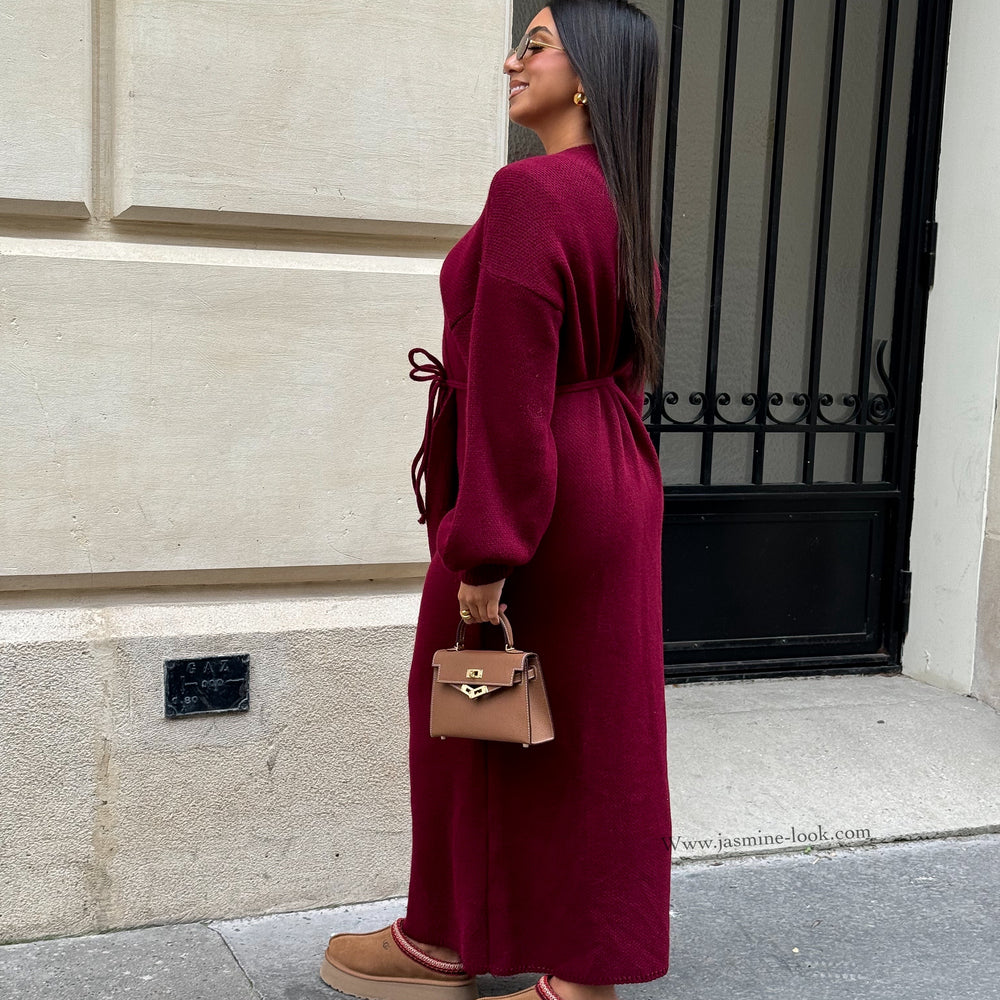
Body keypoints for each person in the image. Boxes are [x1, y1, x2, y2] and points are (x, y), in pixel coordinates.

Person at [319, 3, 670, 1000]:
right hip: (606, 478)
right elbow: (621, 369)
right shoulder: (618, 199)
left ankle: (504, 957)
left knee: (479, 708)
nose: (510, 59)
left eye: (536, 44)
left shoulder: (528, 192)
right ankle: (464, 936)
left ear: (591, 75)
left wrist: (483, 558)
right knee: (570, 731)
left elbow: (513, 397)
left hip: (536, 501)